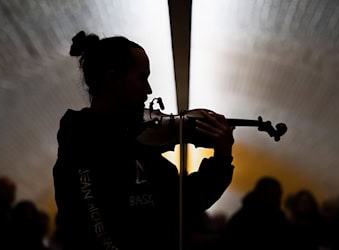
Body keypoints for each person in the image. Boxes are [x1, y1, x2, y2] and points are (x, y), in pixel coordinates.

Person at [52, 31, 235, 250]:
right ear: (112, 78)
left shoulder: (138, 145)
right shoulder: (81, 143)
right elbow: (92, 224)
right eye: (142, 78)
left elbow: (184, 202)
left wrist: (222, 160)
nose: (148, 90)